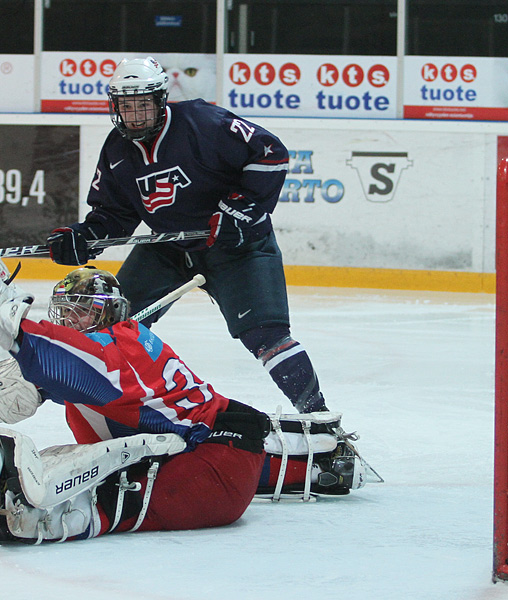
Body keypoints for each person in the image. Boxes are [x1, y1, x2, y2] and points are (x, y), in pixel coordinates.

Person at [0, 220, 365, 546]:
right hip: (226, 439)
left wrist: (1, 317)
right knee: (140, 443)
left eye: (83, 311)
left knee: (115, 485)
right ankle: (314, 463)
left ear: (109, 313)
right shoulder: (122, 344)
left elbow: (63, 358)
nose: (71, 321)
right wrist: (35, 386)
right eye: (65, 311)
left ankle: (35, 518)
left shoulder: (114, 350)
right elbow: (86, 378)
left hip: (214, 465)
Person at [46, 56, 331, 415]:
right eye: (125, 106)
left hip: (239, 246)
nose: (134, 115)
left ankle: (320, 420)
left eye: (142, 105)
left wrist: (239, 209)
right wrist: (83, 236)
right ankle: (115, 415)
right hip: (168, 246)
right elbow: (114, 215)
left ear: (161, 99)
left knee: (266, 335)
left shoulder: (203, 123)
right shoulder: (117, 151)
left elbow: (270, 153)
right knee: (114, 324)